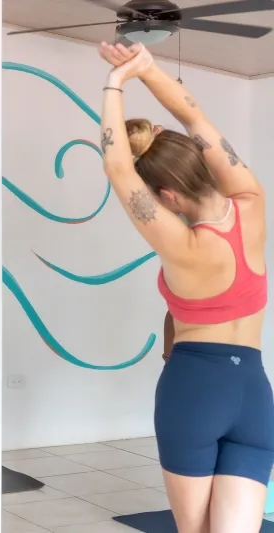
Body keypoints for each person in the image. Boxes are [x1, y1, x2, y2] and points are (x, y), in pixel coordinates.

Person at [97, 42, 273, 532]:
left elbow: (117, 167)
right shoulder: (252, 201)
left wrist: (115, 83)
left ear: (167, 195)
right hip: (255, 395)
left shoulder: (184, 246)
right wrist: (147, 69)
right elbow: (197, 122)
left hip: (195, 392)